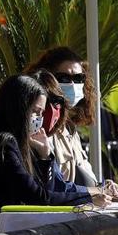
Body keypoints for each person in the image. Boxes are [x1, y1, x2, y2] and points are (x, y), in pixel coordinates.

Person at [0, 74, 106, 235]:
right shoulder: (3, 144)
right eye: (35, 111)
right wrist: (88, 198)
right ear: (18, 108)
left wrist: (44, 156)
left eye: (40, 114)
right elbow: (39, 199)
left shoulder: (6, 140)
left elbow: (42, 193)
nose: (38, 119)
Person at [27, 46, 97, 186]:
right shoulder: (40, 124)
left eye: (78, 78)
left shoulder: (70, 128)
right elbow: (52, 186)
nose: (72, 84)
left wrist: (102, 187)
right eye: (63, 78)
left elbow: (85, 175)